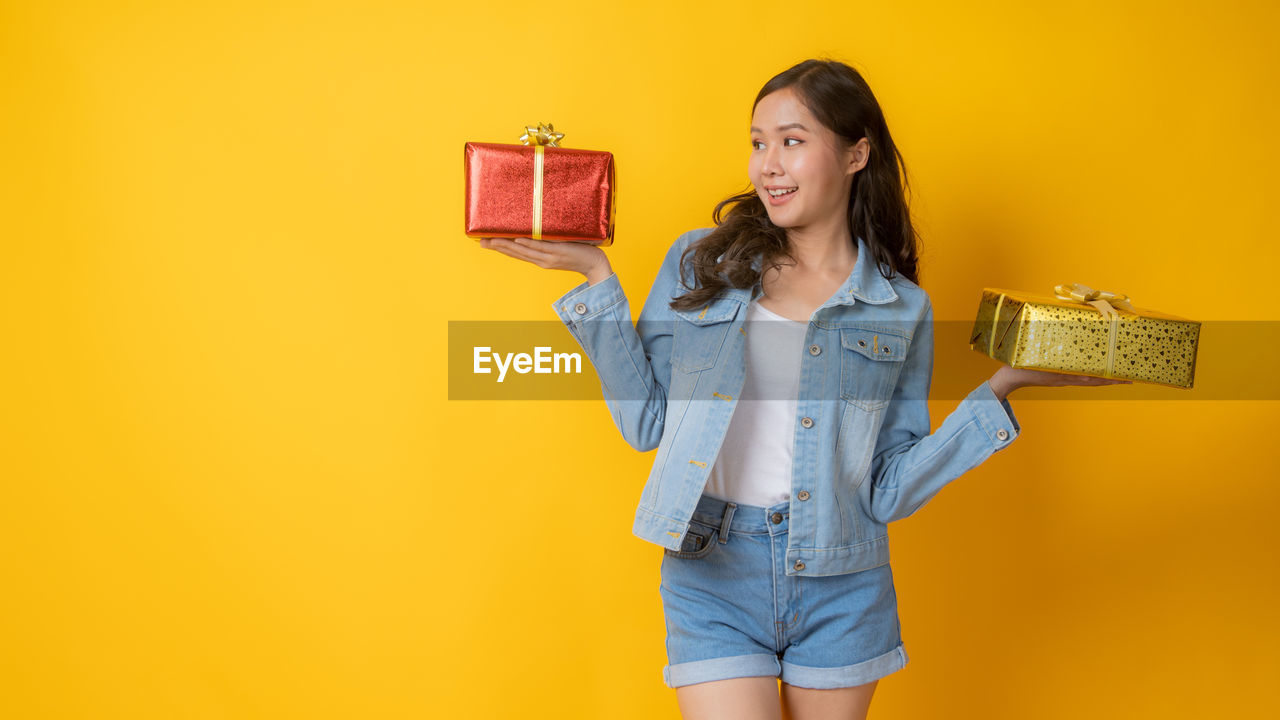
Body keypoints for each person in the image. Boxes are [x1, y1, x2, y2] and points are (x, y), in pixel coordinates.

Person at [479, 58, 1130, 720]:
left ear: (856, 153)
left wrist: (1001, 390)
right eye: (759, 143)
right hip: (711, 568)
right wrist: (597, 282)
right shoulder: (703, 261)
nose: (768, 165)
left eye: (792, 141)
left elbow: (887, 488)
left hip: (843, 581)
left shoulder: (899, 307)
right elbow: (646, 424)